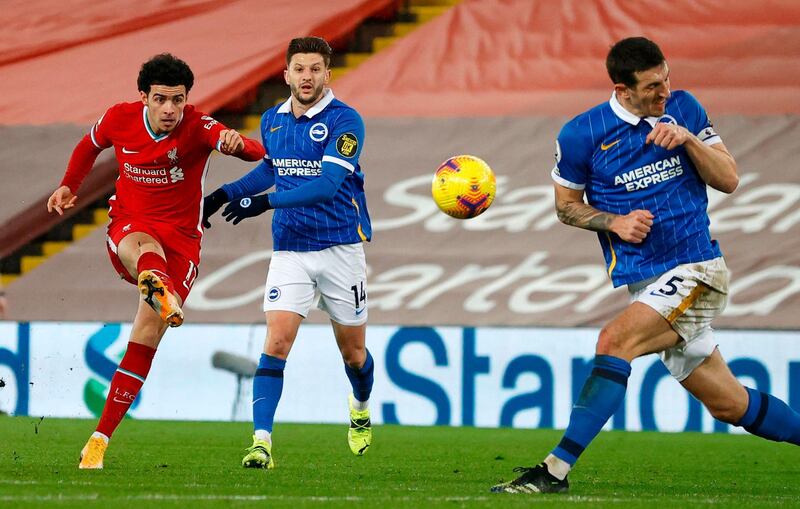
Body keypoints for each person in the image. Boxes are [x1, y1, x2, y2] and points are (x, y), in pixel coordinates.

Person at [492, 37, 800, 494]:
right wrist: (614, 221)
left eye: (667, 79)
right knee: (729, 405)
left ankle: (554, 471)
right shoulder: (582, 134)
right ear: (622, 89)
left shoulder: (684, 109)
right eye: (653, 86)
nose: (665, 92)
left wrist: (689, 138)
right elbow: (566, 207)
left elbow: (729, 179)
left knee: (613, 341)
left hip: (698, 270)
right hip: (647, 284)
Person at [46, 53, 265, 469]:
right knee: (145, 251)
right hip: (132, 224)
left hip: (183, 241)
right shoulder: (119, 118)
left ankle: (98, 440)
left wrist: (240, 145)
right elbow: (89, 145)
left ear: (187, 100)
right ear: (143, 97)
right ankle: (154, 282)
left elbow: (249, 149)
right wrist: (68, 185)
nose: (170, 109)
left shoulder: (199, 126)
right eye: (161, 99)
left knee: (146, 335)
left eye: (178, 100)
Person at [203, 36, 374, 469]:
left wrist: (265, 202)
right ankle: (261, 442)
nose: (307, 77)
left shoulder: (345, 121)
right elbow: (270, 169)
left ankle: (359, 408)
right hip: (291, 249)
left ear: (327, 74)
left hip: (340, 247)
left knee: (353, 354)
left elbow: (326, 185)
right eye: (299, 69)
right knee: (277, 341)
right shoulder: (273, 120)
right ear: (286, 74)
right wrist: (223, 193)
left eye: (315, 69)